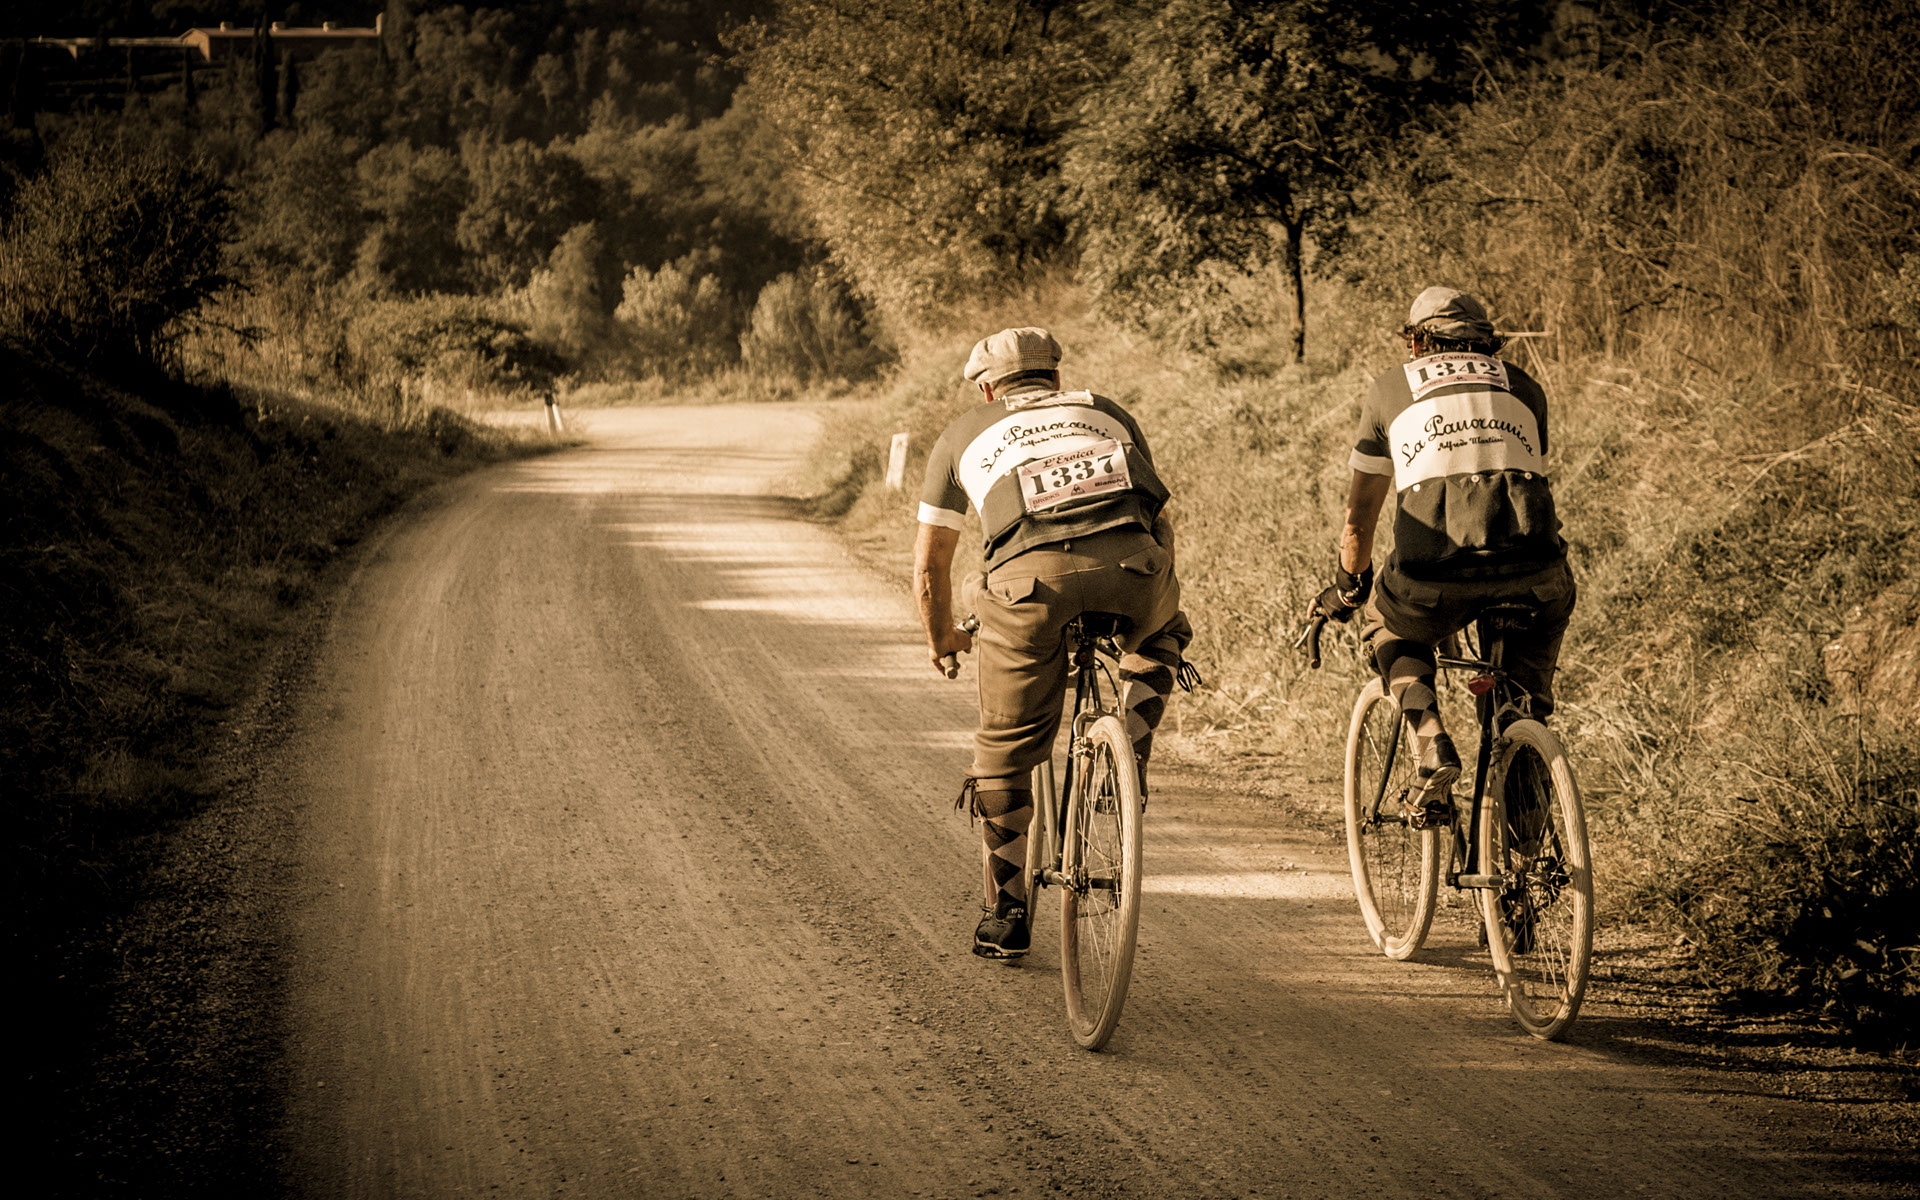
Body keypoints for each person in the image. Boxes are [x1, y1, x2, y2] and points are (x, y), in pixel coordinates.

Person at [915, 327, 1194, 960]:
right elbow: (1155, 516)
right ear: (1057, 380)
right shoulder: (1106, 413)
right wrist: (1153, 591)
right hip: (1133, 569)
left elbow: (931, 568)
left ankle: (1007, 912)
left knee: (1006, 745)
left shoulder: (964, 433)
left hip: (1027, 587)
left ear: (987, 388)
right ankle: (1132, 751)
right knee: (1160, 634)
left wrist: (943, 637)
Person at [1313, 287, 1576, 817]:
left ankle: (1432, 742)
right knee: (1520, 705)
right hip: (1538, 575)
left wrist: (1347, 587)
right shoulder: (1526, 388)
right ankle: (1527, 857)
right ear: (1486, 342)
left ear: (1415, 341)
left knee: (1388, 626)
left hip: (1435, 576)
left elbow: (1358, 520)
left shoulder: (1391, 389)